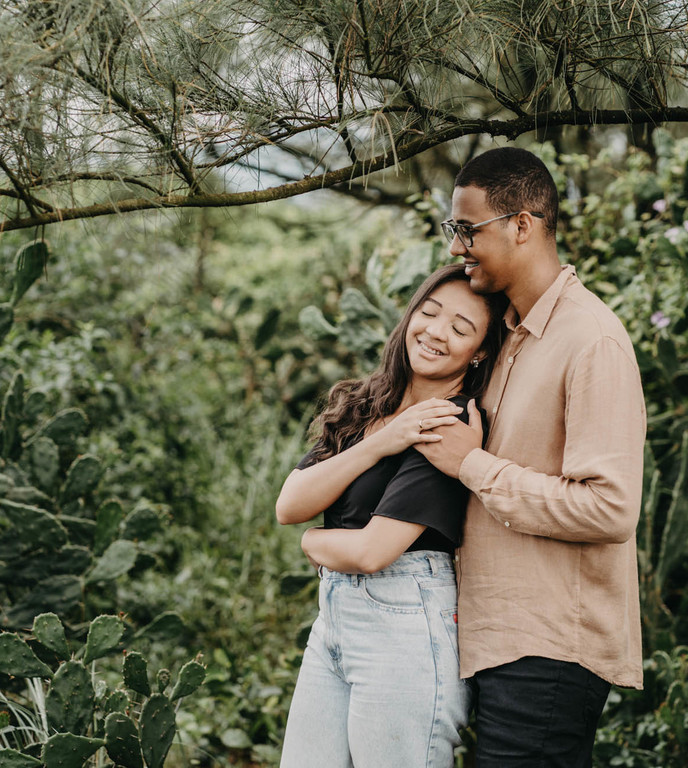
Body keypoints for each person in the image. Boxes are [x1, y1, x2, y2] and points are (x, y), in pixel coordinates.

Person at [415, 147, 647, 767]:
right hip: (494, 641)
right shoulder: (507, 338)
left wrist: (474, 465)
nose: (457, 246)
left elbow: (610, 509)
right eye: (453, 230)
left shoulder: (591, 340)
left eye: (469, 230)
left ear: (523, 224)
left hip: (548, 652)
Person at [276, 264, 508, 768]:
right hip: (333, 624)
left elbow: (371, 551)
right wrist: (385, 439)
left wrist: (311, 544)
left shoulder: (450, 424)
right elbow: (290, 503)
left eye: (460, 328)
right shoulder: (368, 402)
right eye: (428, 314)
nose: (436, 332)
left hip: (405, 627)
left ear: (480, 352)